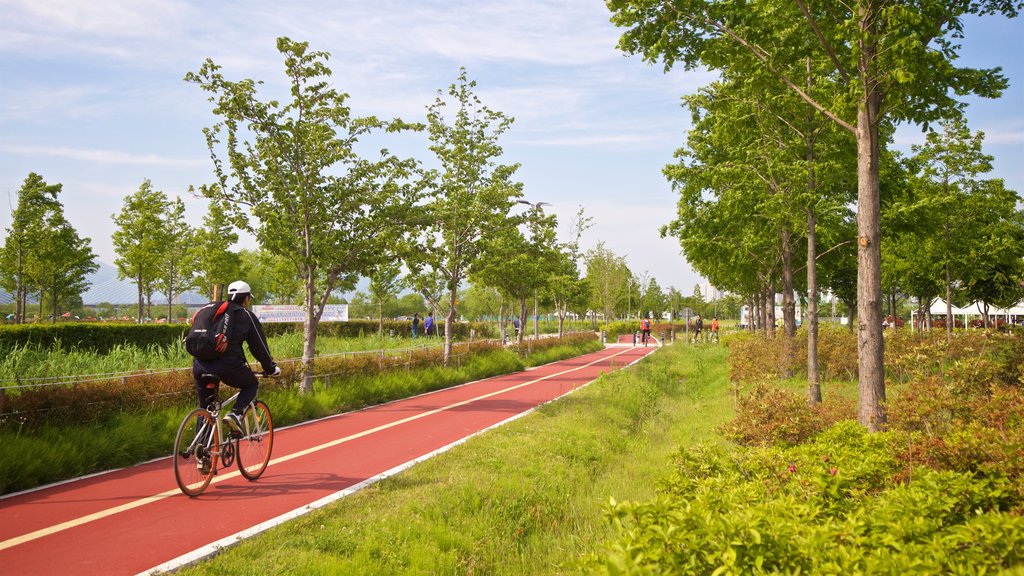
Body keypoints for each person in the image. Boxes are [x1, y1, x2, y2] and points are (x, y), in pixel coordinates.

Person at [192, 280, 279, 434]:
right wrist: (270, 368)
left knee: (206, 408)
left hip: (199, 365)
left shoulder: (213, 310)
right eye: (249, 298)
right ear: (246, 298)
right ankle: (235, 414)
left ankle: (201, 450)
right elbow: (259, 347)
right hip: (227, 367)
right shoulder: (245, 315)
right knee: (251, 384)